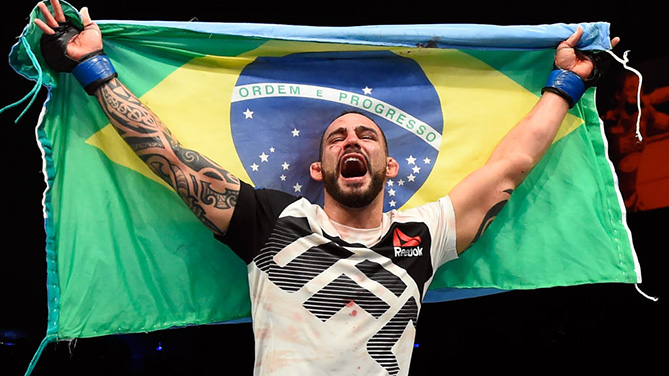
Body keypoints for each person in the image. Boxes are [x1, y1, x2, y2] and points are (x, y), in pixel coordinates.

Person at [34, 1, 619, 374]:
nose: (352, 141)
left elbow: (511, 165)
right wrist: (95, 69)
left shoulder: (424, 235)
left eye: (368, 134)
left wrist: (566, 81)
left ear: (390, 166)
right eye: (337, 137)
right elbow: (170, 159)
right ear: (319, 169)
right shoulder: (272, 222)